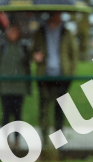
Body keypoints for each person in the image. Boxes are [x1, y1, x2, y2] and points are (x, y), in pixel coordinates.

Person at [32, 12, 79, 143]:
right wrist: (36, 56)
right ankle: (45, 139)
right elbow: (32, 51)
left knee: (59, 110)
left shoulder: (66, 33)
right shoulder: (40, 33)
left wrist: (70, 74)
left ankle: (58, 140)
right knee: (44, 108)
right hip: (44, 76)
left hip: (61, 76)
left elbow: (73, 55)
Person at [0, 22, 31, 148]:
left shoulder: (23, 47)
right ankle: (5, 139)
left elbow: (28, 65)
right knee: (6, 114)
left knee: (18, 115)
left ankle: (17, 140)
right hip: (5, 87)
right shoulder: (2, 47)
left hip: (19, 88)